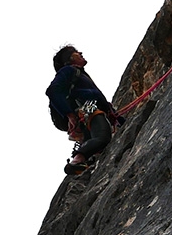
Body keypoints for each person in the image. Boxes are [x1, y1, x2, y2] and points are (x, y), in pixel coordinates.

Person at [46, 45, 119, 175]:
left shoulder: (81, 75)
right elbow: (52, 91)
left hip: (90, 111)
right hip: (87, 109)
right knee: (102, 137)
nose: (80, 52)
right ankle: (77, 160)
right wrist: (69, 114)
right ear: (68, 60)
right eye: (75, 52)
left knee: (98, 140)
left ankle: (85, 162)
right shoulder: (68, 71)